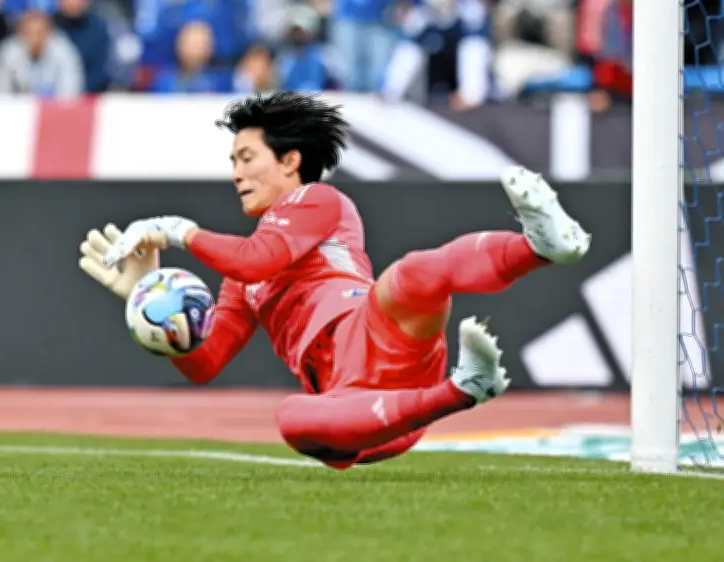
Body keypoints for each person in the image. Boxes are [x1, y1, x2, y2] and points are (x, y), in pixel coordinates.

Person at [79, 91, 591, 470]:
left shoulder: (317, 200)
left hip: (376, 330)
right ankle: (463, 390)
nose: (235, 173)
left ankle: (539, 247)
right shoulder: (241, 281)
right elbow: (205, 362)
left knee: (412, 273)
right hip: (353, 408)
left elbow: (259, 257)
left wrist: (177, 230)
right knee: (292, 420)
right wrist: (144, 302)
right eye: (232, 161)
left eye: (246, 158)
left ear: (290, 161)